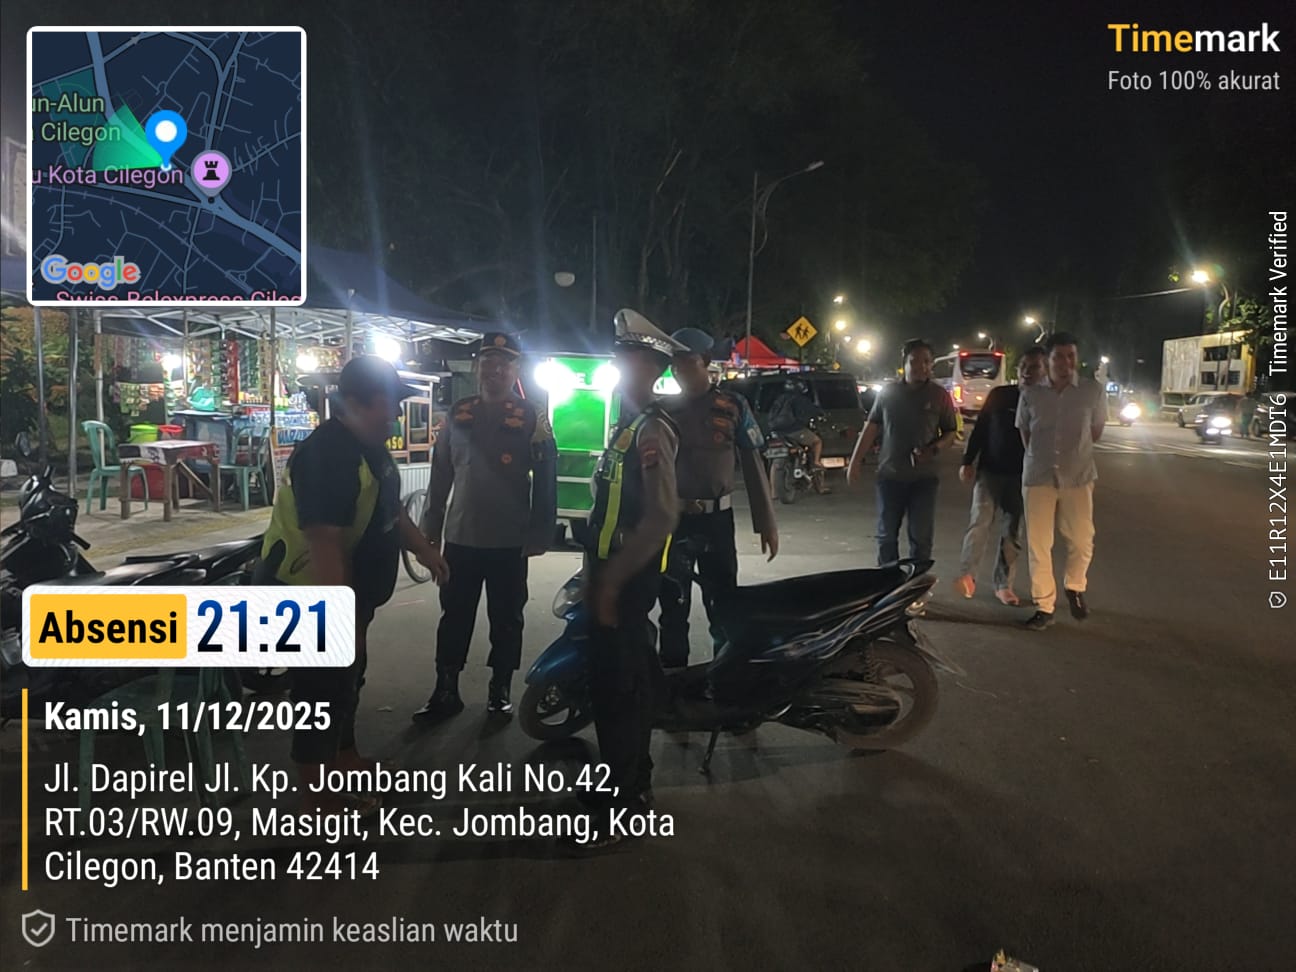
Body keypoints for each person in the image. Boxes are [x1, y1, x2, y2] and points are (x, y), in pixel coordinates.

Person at [255, 355, 448, 810]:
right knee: (320, 692)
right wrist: (338, 626)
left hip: (348, 596)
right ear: (359, 403)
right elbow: (324, 543)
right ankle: (317, 797)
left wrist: (424, 550)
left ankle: (345, 760)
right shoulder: (330, 454)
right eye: (390, 403)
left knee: (347, 681)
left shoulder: (369, 448)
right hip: (308, 598)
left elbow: (391, 508)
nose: (396, 413)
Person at [572, 309, 684, 850]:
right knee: (612, 687)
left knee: (622, 691)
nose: (617, 365)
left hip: (628, 584)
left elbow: (662, 516)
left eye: (627, 357)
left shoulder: (652, 431)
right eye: (618, 355)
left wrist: (613, 582)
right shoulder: (628, 425)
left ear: (650, 368)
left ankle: (627, 805)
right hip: (609, 579)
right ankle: (622, 780)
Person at [414, 333, 558, 721]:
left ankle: (500, 690)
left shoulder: (533, 417)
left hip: (509, 541)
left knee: (507, 619)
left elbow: (547, 477)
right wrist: (430, 529)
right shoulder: (458, 412)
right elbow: (440, 473)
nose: (495, 369)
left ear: (516, 370)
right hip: (461, 537)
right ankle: (446, 690)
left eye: (504, 363)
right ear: (478, 367)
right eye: (488, 361)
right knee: (453, 617)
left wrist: (541, 532)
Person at [657, 327, 778, 668]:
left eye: (686, 361)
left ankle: (723, 678)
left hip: (716, 522)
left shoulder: (732, 406)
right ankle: (673, 679)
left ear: (706, 360)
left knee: (723, 605)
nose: (678, 369)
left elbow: (753, 463)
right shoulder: (662, 410)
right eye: (674, 362)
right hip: (672, 521)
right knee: (672, 606)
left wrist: (766, 523)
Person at [1015, 331, 1107, 630]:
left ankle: (1075, 586)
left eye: (1071, 356)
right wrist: (1040, 456)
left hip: (1078, 476)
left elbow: (1096, 430)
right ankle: (1044, 606)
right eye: (1058, 357)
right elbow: (1025, 431)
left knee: (1081, 539)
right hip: (1038, 476)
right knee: (1039, 544)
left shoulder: (1092, 391)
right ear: (1048, 359)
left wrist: (1073, 453)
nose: (1065, 363)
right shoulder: (1031, 393)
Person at [847, 339, 959, 565]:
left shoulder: (939, 395)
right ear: (905, 363)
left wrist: (933, 449)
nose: (922, 367)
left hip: (924, 479)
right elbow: (871, 427)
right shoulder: (888, 393)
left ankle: (917, 580)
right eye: (915, 361)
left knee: (921, 537)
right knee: (886, 535)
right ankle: (888, 580)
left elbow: (950, 432)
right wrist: (855, 461)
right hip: (890, 476)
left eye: (927, 362)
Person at [953, 346, 1046, 605]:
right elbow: (981, 430)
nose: (1027, 371)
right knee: (979, 523)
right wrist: (967, 461)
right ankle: (968, 576)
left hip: (1023, 477)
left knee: (1012, 532)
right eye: (1024, 366)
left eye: (1034, 367)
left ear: (1045, 371)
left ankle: (1003, 585)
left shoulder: (1046, 403)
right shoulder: (1000, 395)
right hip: (990, 472)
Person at [768, 379, 827, 478]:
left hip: (777, 432)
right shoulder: (800, 400)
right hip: (795, 430)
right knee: (817, 442)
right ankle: (816, 462)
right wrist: (821, 414)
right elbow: (812, 410)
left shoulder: (779, 399)